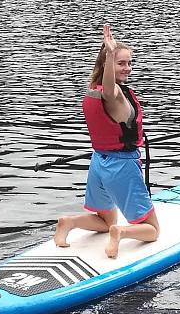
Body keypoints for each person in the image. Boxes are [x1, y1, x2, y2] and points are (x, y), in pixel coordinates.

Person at [53, 25, 160, 258]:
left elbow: (106, 85)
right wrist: (110, 54)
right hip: (121, 167)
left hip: (98, 164)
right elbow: (111, 91)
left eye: (130, 63)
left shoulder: (93, 89)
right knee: (152, 230)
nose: (128, 68)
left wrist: (110, 57)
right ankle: (120, 233)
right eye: (122, 63)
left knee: (104, 218)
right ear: (107, 65)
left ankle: (68, 222)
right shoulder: (113, 95)